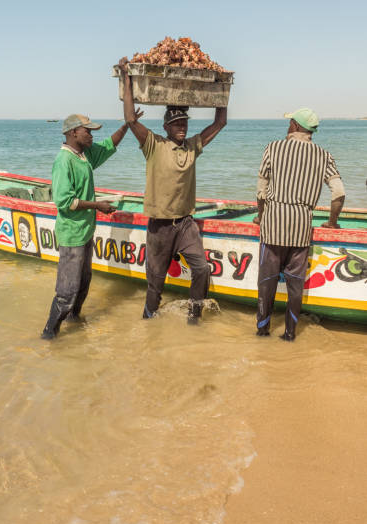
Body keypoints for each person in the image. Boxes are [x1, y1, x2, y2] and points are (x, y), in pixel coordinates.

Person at [118, 56, 228, 324]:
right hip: (160, 227)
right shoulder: (154, 145)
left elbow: (220, 123)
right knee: (155, 281)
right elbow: (131, 120)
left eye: (185, 123)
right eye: (177, 124)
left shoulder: (192, 147)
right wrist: (127, 77)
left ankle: (194, 316)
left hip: (186, 224)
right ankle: (149, 320)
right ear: (166, 127)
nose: (183, 127)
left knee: (201, 268)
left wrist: (224, 87)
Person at [253, 108, 345, 341]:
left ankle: (262, 331)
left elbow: (261, 191)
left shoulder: (273, 148)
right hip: (301, 227)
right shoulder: (324, 155)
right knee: (295, 286)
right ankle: (290, 334)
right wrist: (332, 222)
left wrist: (261, 217)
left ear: (294, 125)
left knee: (266, 283)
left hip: (272, 225)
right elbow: (339, 193)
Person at [41, 114, 129, 340]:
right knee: (66, 291)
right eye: (87, 131)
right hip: (72, 234)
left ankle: (75, 323)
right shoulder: (64, 161)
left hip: (86, 230)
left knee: (84, 282)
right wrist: (98, 205)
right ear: (73, 133)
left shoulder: (84, 155)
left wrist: (128, 124)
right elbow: (65, 201)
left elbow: (109, 145)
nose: (91, 135)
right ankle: (49, 334)